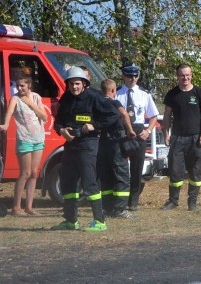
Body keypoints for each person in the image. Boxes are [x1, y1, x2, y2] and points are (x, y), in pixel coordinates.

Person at [52, 66, 120, 231]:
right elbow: (58, 121)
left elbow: (113, 115)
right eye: (71, 84)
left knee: (89, 183)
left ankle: (99, 221)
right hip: (70, 145)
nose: (74, 87)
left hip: (88, 145)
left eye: (77, 84)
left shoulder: (94, 97)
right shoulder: (66, 99)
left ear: (84, 83)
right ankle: (70, 220)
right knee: (68, 183)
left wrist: (94, 125)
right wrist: (61, 130)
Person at [161, 63, 201, 211]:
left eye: (187, 75)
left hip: (196, 139)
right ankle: (173, 201)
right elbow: (167, 115)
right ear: (177, 76)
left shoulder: (199, 93)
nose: (185, 78)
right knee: (175, 171)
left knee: (195, 171)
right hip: (177, 138)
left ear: (191, 75)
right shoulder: (172, 94)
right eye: (182, 75)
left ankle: (192, 202)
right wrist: (166, 133)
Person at [0, 74, 48, 216]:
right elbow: (9, 113)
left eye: (22, 85)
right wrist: (6, 125)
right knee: (25, 173)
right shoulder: (15, 99)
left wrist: (31, 103)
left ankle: (29, 207)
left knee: (34, 173)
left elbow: (44, 117)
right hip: (24, 139)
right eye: (17, 85)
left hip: (38, 138)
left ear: (29, 86)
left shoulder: (36, 97)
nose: (19, 88)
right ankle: (16, 207)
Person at [116, 64, 160, 210]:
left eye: (135, 76)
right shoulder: (117, 93)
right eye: (129, 76)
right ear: (123, 76)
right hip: (122, 132)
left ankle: (133, 202)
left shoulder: (144, 94)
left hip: (139, 131)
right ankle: (119, 200)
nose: (133, 78)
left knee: (137, 168)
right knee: (119, 167)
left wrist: (148, 130)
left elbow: (154, 115)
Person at [98, 78, 135, 218]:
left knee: (106, 175)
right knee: (122, 174)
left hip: (103, 142)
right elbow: (124, 114)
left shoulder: (98, 103)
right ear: (113, 90)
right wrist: (130, 130)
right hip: (116, 141)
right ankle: (120, 209)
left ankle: (107, 208)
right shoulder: (114, 102)